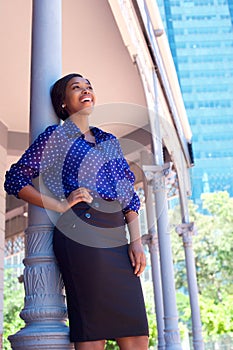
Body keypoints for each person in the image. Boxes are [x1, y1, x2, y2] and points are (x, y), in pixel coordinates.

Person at [4, 73, 149, 350]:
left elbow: (129, 197)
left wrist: (137, 242)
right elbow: (15, 179)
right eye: (76, 87)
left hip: (117, 237)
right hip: (82, 234)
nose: (86, 91)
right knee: (92, 331)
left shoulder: (109, 140)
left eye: (89, 87)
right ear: (63, 104)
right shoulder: (56, 137)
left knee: (137, 334)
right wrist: (58, 204)